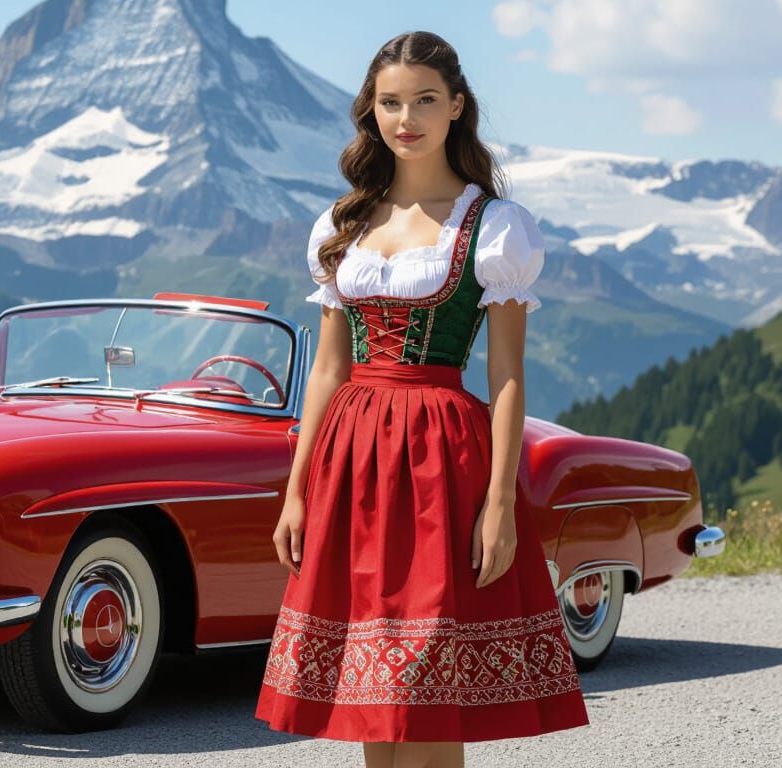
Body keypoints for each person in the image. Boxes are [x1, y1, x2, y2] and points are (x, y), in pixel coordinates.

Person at [252, 30, 591, 767]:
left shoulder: (493, 228)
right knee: (371, 697)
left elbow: (506, 378)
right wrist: (298, 490)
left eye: (425, 101)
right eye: (390, 102)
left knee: (432, 689)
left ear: (457, 107)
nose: (407, 118)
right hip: (353, 461)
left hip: (443, 459)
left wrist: (501, 502)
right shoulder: (343, 226)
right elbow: (326, 372)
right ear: (370, 112)